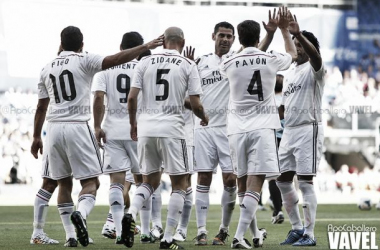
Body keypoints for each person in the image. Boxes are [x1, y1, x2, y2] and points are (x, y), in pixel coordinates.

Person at [31, 25, 162, 247]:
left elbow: (41, 107)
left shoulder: (46, 68)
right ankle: (82, 214)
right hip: (79, 126)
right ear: (82, 45)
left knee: (63, 184)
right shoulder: (85, 60)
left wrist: (36, 136)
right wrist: (146, 46)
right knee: (91, 182)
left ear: (60, 44)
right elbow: (112, 60)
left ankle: (71, 236)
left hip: (53, 128)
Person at [193, 11, 279, 246]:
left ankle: (223, 230)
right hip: (204, 127)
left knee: (233, 180)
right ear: (213, 36)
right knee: (203, 177)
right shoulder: (200, 62)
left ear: (235, 39)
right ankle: (201, 230)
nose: (225, 39)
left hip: (230, 128)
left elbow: (257, 50)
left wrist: (269, 36)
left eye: (230, 36)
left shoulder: (236, 60)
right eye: (221, 35)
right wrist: (198, 112)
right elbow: (188, 95)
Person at [124, 26, 208, 249]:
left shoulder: (144, 62)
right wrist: (204, 116)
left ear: (163, 42)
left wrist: (133, 123)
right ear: (183, 41)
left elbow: (131, 98)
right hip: (172, 129)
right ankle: (169, 238)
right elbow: (196, 104)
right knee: (180, 184)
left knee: (148, 182)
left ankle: (130, 214)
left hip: (146, 129)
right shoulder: (188, 64)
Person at [219, 7, 296, 249]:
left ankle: (251, 235)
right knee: (256, 183)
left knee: (242, 185)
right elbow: (292, 54)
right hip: (262, 128)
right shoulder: (270, 59)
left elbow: (247, 60)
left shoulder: (228, 61)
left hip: (236, 130)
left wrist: (265, 36)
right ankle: (239, 237)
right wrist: (281, 31)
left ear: (238, 38)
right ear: (257, 36)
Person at [92, 31, 154, 244]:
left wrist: (97, 126)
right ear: (139, 49)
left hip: (112, 132)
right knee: (143, 181)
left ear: (121, 46)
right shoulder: (144, 68)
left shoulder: (105, 69)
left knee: (116, 183)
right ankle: (145, 230)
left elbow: (99, 97)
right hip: (138, 130)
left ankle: (119, 231)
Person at [276, 13, 325, 247]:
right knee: (283, 181)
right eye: (295, 46)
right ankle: (296, 228)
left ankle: (310, 233)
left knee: (305, 183)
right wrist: (285, 33)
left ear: (310, 47)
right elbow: (284, 108)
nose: (298, 49)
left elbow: (315, 56)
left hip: (308, 128)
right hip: (289, 131)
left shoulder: (315, 69)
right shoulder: (290, 73)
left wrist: (297, 34)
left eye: (301, 45)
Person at [269, 74, 285, 224]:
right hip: (288, 139)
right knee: (287, 176)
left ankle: (278, 209)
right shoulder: (288, 99)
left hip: (274, 139)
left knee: (272, 176)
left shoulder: (269, 100)